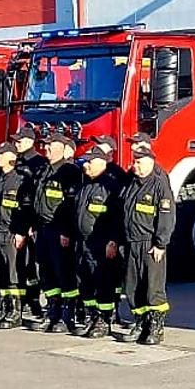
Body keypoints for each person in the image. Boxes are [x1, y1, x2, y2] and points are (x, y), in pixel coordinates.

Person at [119, 141, 176, 344]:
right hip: (131, 243)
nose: (137, 166)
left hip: (150, 245)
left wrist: (161, 244)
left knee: (153, 288)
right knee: (133, 288)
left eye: (141, 162)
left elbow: (166, 217)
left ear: (151, 162)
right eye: (135, 162)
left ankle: (156, 327)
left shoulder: (159, 184)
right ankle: (140, 323)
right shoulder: (131, 184)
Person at [28, 132, 85, 333]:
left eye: (51, 146)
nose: (47, 149)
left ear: (62, 148)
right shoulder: (45, 170)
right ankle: (53, 309)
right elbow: (38, 200)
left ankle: (67, 314)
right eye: (45, 146)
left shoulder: (69, 171)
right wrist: (33, 225)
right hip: (43, 229)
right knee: (46, 271)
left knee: (64, 272)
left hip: (59, 229)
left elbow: (71, 205)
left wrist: (66, 231)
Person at [72, 140, 125, 338]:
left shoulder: (110, 187)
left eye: (89, 163)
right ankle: (91, 317)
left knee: (103, 283)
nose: (85, 166)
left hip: (101, 245)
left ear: (101, 163)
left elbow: (117, 217)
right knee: (85, 282)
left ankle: (104, 321)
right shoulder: (86, 185)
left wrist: (113, 240)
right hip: (83, 243)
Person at [0, 140, 31, 329]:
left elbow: (24, 210)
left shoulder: (20, 180)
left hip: (10, 233)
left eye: (2, 154)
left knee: (13, 274)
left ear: (11, 157)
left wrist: (20, 232)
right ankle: (4, 309)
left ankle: (15, 312)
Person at [13, 130, 48, 319]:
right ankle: (21, 300)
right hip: (17, 219)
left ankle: (33, 300)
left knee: (31, 266)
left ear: (29, 141)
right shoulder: (16, 162)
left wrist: (33, 224)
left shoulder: (39, 164)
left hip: (31, 221)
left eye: (19, 141)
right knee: (19, 264)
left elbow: (37, 199)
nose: (17, 144)